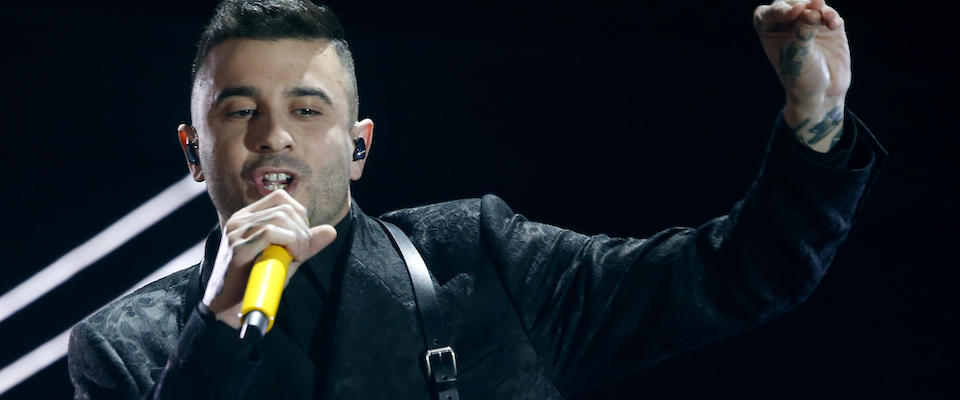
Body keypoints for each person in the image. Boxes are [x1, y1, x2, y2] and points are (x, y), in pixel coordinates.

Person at [67, 0, 886, 399]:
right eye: (239, 109)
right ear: (192, 153)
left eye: (308, 109)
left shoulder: (484, 258)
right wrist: (215, 330)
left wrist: (815, 128)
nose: (274, 134)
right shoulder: (124, 350)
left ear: (359, 148)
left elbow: (733, 277)